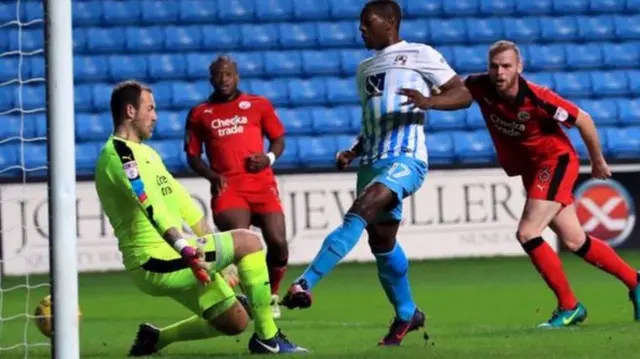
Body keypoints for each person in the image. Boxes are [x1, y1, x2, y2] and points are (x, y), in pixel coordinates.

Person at [281, 0, 473, 346]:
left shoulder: (420, 54)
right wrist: (353, 151)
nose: (361, 30)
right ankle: (407, 313)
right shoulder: (365, 68)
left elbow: (463, 94)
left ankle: (305, 283)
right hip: (372, 161)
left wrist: (430, 102)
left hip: (407, 159)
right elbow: (372, 120)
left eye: (367, 23)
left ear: (390, 22)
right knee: (381, 241)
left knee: (362, 209)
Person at [94, 80, 307, 355]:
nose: (156, 116)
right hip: (155, 261)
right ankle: (268, 338)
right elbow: (152, 208)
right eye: (150, 108)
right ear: (130, 111)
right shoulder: (119, 156)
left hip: (175, 256)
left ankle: (157, 338)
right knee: (250, 243)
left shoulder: (146, 152)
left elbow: (181, 201)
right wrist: (186, 249)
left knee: (236, 320)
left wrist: (220, 255)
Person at [464, 40, 640, 328]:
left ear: (519, 68)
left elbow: (583, 119)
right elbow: (455, 87)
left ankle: (569, 306)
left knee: (528, 232)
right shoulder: (480, 86)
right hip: (532, 168)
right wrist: (431, 95)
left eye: (506, 66)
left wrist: (597, 161)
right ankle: (635, 281)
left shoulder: (538, 97)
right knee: (575, 241)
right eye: (494, 66)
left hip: (555, 162)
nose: (499, 72)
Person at [185, 56, 288, 318]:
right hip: (228, 187)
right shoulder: (200, 113)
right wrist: (211, 176)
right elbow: (193, 156)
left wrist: (269, 158)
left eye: (228, 74)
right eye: (218, 75)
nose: (224, 79)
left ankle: (271, 293)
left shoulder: (258, 105)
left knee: (278, 242)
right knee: (243, 245)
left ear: (237, 76)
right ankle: (258, 300)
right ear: (211, 79)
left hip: (262, 184)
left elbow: (278, 139)